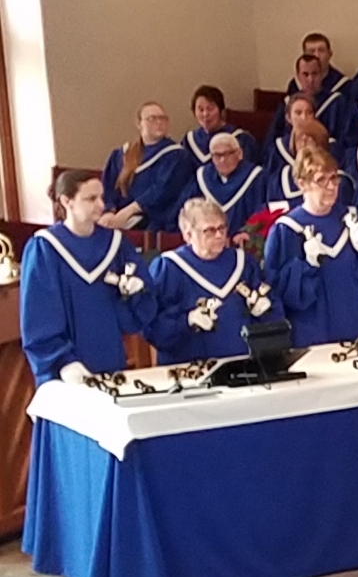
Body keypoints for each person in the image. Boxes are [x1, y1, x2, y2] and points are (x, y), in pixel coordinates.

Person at [21, 171, 155, 383]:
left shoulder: (116, 245)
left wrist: (136, 293)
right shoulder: (46, 248)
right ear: (67, 201)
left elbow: (139, 313)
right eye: (91, 199)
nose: (101, 205)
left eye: (101, 197)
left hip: (110, 358)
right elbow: (39, 316)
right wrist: (62, 361)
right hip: (66, 371)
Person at [263, 146, 358, 347]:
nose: (331, 187)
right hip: (312, 328)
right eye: (322, 180)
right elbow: (282, 292)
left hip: (355, 321)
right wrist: (307, 264)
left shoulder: (350, 220)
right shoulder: (287, 230)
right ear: (301, 184)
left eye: (334, 179)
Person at [146, 198, 279, 365]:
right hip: (190, 369)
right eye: (209, 230)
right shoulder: (169, 268)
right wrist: (186, 321)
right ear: (188, 234)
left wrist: (264, 312)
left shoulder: (243, 263)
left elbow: (273, 313)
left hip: (243, 365)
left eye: (222, 228)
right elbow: (152, 328)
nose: (218, 235)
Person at [101, 102, 193, 232]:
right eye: (152, 118)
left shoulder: (177, 156)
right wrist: (109, 211)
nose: (159, 122)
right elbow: (109, 187)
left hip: (152, 224)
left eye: (163, 118)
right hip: (118, 220)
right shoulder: (122, 154)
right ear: (139, 124)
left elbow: (162, 190)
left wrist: (130, 211)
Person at [181, 132, 266, 238]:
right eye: (217, 155)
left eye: (228, 154)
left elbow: (261, 211)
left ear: (239, 154)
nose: (222, 160)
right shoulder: (202, 177)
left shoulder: (256, 177)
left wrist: (250, 233)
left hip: (243, 242)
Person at [268, 52, 358, 149]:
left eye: (314, 74)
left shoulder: (336, 102)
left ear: (322, 75)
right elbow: (273, 137)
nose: (310, 79)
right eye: (305, 74)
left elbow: (343, 137)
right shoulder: (288, 103)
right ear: (298, 77)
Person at [264, 94, 334, 207]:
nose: (304, 117)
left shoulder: (330, 151)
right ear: (288, 117)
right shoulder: (278, 153)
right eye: (298, 113)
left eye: (309, 112)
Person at [183, 85, 258, 166]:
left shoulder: (240, 139)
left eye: (210, 108)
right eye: (201, 110)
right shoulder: (189, 141)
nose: (205, 114)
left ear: (221, 110)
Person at [282, 32, 350, 101]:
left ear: (330, 54)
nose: (316, 55)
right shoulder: (295, 85)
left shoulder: (344, 85)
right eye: (311, 51)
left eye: (321, 50)